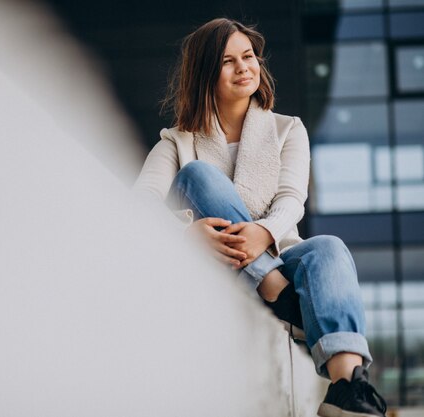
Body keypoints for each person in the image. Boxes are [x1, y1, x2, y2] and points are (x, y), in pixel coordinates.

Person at [133, 18, 388, 417]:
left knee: (330, 248)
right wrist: (187, 233)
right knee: (197, 174)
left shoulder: (288, 129)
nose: (244, 68)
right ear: (204, 73)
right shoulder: (176, 141)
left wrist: (262, 232)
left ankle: (346, 388)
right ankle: (272, 288)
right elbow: (140, 204)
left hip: (280, 253)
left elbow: (291, 200)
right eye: (228, 61)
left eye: (248, 56)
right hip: (217, 265)